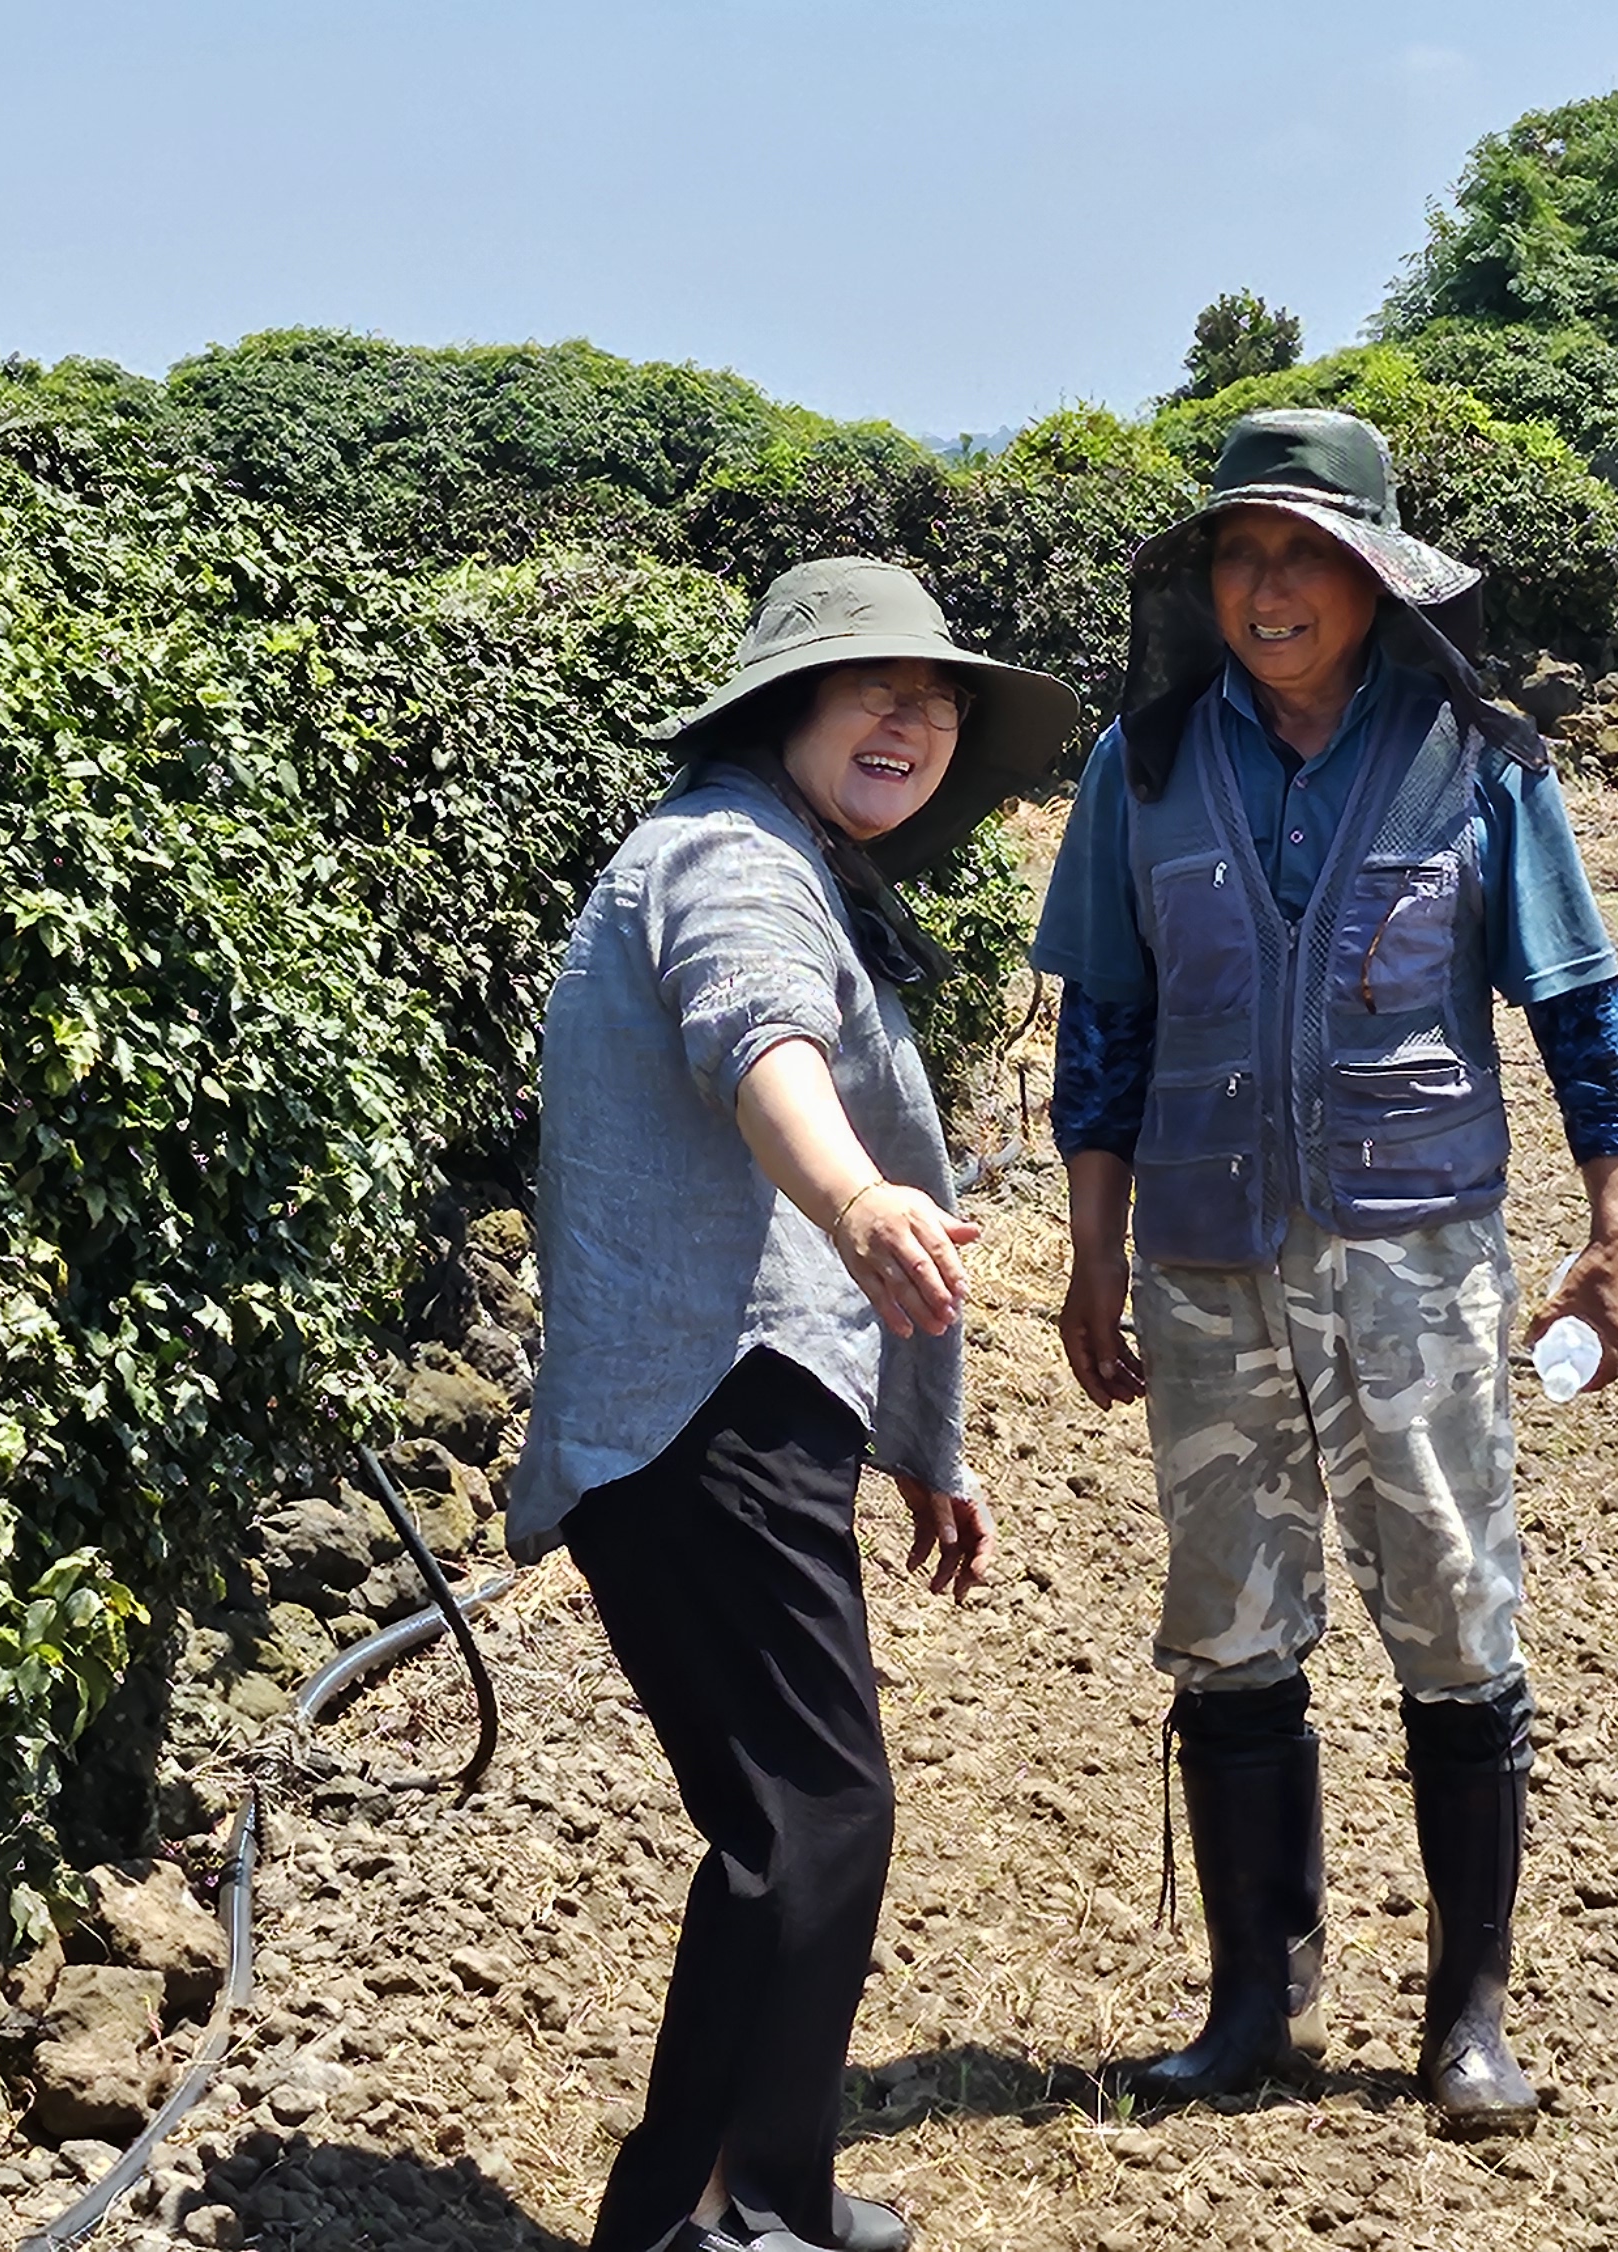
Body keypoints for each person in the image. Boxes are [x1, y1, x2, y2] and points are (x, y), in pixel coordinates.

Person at [1031, 409, 1618, 2138]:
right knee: (1230, 1627)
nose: (1269, 588)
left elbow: (1578, 1006)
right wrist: (1093, 1246)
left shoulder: (1484, 759)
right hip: (1206, 1264)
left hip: (1416, 1258)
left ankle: (1466, 2017)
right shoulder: (1141, 770)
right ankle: (1255, 2007)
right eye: (1241, 555)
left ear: (1378, 575)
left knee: (1454, 1618)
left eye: (1305, 553)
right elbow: (1109, 1025)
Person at [510, 558, 1079, 2252]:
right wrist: (857, 1202)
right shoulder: (729, 858)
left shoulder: (793, 864)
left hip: (744, 1415)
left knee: (791, 1818)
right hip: (703, 1416)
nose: (914, 720)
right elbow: (757, 1039)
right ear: (785, 711)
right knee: (809, 1818)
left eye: (941, 702)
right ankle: (717, 2213)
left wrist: (919, 1441)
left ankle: (740, 2199)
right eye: (873, 690)